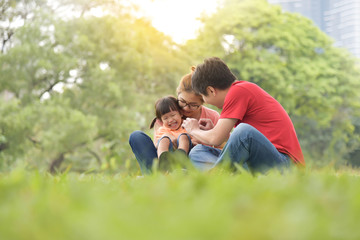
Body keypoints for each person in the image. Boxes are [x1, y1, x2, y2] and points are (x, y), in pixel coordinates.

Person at [182, 57, 305, 174]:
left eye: (203, 97)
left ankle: (216, 176)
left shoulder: (239, 91)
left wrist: (193, 129)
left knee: (243, 131)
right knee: (198, 151)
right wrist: (213, 130)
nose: (206, 102)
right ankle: (228, 177)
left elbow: (216, 139)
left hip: (285, 165)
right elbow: (240, 146)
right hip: (259, 161)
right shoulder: (241, 90)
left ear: (211, 90)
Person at [129, 67, 221, 174]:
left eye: (193, 105)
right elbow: (157, 146)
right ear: (178, 93)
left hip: (190, 160)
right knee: (136, 136)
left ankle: (171, 174)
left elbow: (221, 148)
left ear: (204, 101)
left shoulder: (212, 116)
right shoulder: (167, 113)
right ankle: (159, 174)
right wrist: (168, 139)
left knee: (193, 150)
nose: (186, 108)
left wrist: (202, 140)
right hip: (165, 158)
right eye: (182, 101)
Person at [149, 96, 192, 167]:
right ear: (161, 120)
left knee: (183, 136)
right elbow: (156, 145)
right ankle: (163, 161)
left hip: (186, 152)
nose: (170, 120)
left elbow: (194, 139)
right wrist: (164, 140)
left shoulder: (186, 124)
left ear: (181, 113)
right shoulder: (162, 130)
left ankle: (181, 156)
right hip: (169, 152)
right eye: (165, 118)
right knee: (164, 139)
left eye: (173, 115)